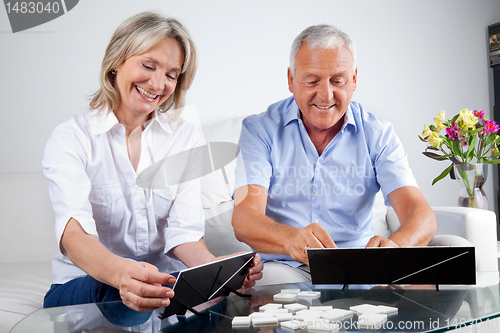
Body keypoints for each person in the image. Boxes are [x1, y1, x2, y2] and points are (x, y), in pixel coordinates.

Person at [42, 11, 262, 313]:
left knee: (215, 303)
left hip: (162, 284)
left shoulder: (183, 137)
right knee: (122, 300)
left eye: (171, 74)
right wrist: (123, 275)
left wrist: (220, 272)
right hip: (88, 283)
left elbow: (184, 235)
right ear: (116, 61)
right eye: (148, 65)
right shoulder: (71, 138)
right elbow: (74, 235)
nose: (158, 83)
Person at [232, 24, 436, 285]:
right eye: (312, 81)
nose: (326, 95)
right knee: (269, 287)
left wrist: (395, 248)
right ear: (291, 80)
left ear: (354, 80)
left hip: (361, 266)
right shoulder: (260, 130)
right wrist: (291, 239)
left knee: (438, 280)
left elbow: (421, 214)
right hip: (286, 266)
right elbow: (244, 218)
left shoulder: (378, 134)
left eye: (337, 81)